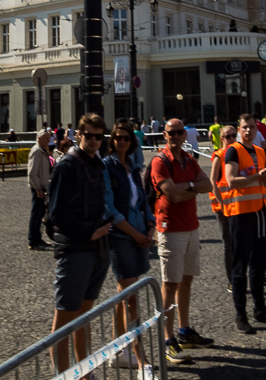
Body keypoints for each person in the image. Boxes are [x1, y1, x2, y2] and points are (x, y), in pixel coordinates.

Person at [46, 113, 113, 373]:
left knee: (84, 315)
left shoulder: (96, 163)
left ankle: (83, 371)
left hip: (97, 248)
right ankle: (63, 376)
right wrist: (88, 234)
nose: (95, 140)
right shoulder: (67, 165)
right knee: (64, 318)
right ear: (79, 135)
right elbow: (56, 214)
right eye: (89, 135)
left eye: (99, 136)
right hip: (75, 249)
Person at [151, 118, 214, 364]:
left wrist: (186, 185)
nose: (175, 136)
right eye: (171, 133)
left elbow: (207, 184)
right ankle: (168, 340)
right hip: (170, 229)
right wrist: (192, 188)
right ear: (164, 135)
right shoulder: (160, 161)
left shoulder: (188, 159)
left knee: (186, 281)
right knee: (170, 284)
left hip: (191, 227)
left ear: (184, 135)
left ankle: (185, 331)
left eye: (179, 132)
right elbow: (172, 195)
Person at [102, 123, 156, 374]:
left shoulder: (133, 168)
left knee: (122, 295)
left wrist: (150, 226)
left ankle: (117, 351)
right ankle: (142, 360)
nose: (122, 141)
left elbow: (144, 200)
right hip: (122, 236)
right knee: (131, 297)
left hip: (139, 234)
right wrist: (136, 234)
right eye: (118, 138)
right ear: (112, 140)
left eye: (126, 138)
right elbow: (110, 209)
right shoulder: (107, 166)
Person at [223, 115, 266, 333]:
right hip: (241, 214)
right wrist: (257, 177)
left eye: (251, 127)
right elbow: (230, 180)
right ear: (239, 130)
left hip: (260, 212)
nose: (248, 131)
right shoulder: (233, 150)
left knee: (260, 263)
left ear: (257, 131)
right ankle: (241, 315)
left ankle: (260, 309)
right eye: (244, 128)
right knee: (240, 265)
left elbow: (263, 183)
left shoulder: (259, 152)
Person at [209, 125, 238, 294]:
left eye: (234, 135)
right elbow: (213, 181)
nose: (231, 138)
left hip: (238, 205)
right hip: (223, 207)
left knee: (239, 243)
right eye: (227, 136)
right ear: (222, 139)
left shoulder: (239, 153)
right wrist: (222, 203)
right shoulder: (220, 155)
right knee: (229, 244)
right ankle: (231, 280)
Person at [27, 130, 54, 250]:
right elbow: (32, 173)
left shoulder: (42, 151)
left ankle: (37, 238)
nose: (49, 141)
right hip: (38, 188)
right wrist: (38, 188)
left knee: (40, 214)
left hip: (42, 187)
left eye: (49, 138)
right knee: (36, 214)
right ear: (39, 138)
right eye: (46, 138)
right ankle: (33, 240)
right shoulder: (37, 151)